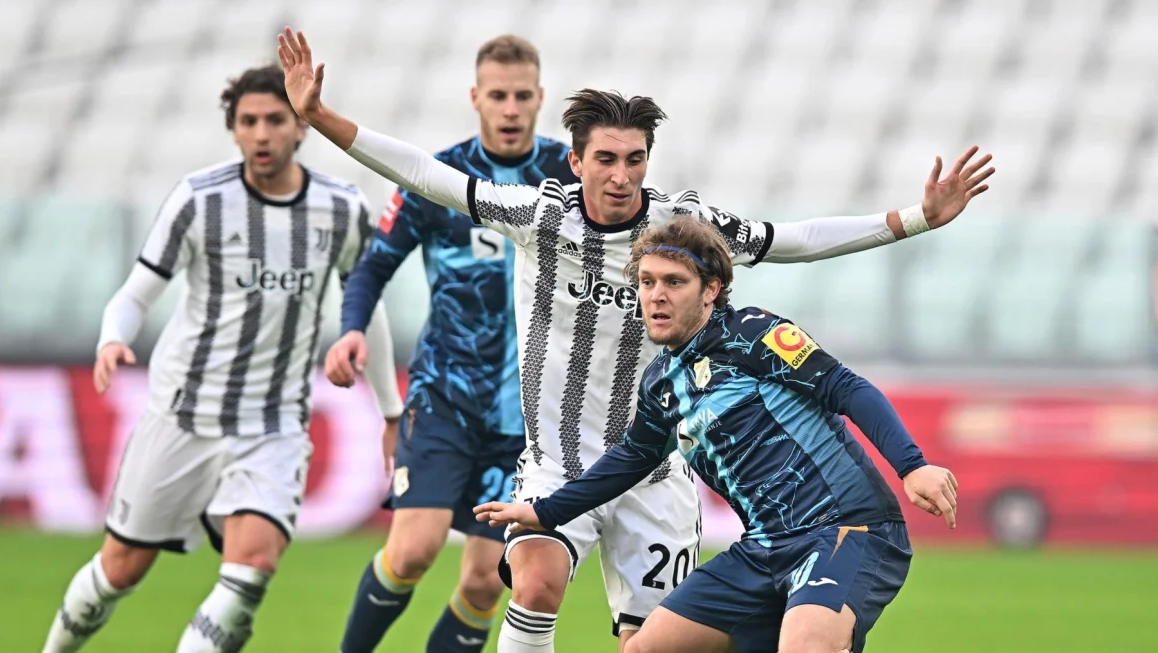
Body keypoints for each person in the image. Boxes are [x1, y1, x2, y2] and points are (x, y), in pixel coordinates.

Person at [276, 26, 992, 652]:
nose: (620, 175)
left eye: (635, 159)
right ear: (575, 160)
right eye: (606, 159)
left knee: (644, 643)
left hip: (653, 470)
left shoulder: (685, 229)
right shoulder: (538, 215)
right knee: (535, 579)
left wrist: (911, 218)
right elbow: (429, 176)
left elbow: (791, 239)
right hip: (556, 462)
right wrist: (322, 118)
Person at [40, 65, 403, 653]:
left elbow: (370, 307)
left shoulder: (341, 210)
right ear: (234, 131)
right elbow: (137, 292)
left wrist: (390, 411)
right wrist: (112, 338)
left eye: (275, 120)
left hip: (273, 425)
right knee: (120, 571)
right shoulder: (200, 198)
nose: (262, 134)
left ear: (300, 128)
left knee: (251, 568)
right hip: (183, 415)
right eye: (249, 122)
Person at [474, 216, 958, 653]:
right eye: (646, 282)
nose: (656, 295)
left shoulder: (753, 334)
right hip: (765, 548)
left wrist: (912, 465)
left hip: (844, 529)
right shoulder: (661, 380)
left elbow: (844, 387)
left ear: (711, 289)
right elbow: (633, 458)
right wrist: (546, 512)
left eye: (673, 282)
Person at [330, 35, 578, 653]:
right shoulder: (439, 178)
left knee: (485, 583)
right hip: (446, 395)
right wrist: (352, 327)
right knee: (411, 550)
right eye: (499, 95)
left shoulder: (570, 181)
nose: (512, 108)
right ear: (476, 98)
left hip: (525, 416)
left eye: (523, 96)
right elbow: (372, 265)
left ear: (541, 97)